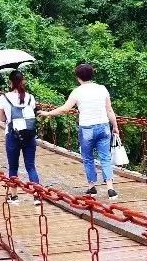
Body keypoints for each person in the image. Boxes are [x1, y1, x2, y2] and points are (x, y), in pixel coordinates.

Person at [43, 63, 120, 200]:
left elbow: (65, 109)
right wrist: (115, 126)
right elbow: (109, 110)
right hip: (103, 126)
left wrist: (47, 113)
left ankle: (92, 187)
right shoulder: (102, 89)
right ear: (92, 75)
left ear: (78, 77)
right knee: (105, 157)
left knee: (88, 158)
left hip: (87, 129)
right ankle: (110, 188)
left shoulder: (77, 92)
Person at [0, 70, 39, 201]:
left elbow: (1, 118)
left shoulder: (4, 97)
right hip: (29, 135)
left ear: (10, 83)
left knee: (13, 166)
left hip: (12, 135)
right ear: (23, 82)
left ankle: (14, 196)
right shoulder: (30, 97)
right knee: (30, 166)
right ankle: (37, 195)